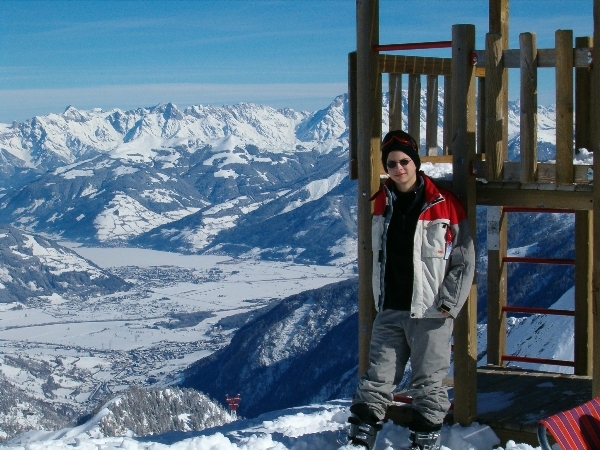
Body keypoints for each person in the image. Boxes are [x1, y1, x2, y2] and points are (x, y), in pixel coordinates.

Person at [347, 130, 476, 450]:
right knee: (377, 378)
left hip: (431, 312)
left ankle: (424, 442)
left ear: (415, 163)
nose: (398, 168)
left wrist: (449, 304)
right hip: (391, 307)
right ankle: (359, 440)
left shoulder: (446, 205)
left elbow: (465, 259)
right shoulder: (380, 203)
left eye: (404, 161)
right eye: (391, 163)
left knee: (428, 383)